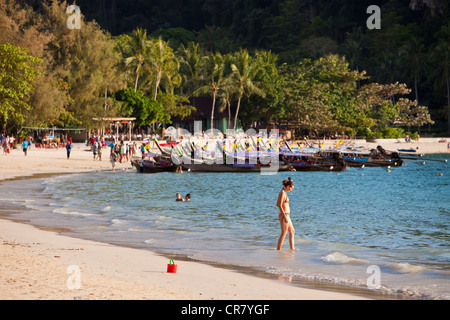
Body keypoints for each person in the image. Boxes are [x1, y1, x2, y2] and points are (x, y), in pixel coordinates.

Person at [276, 177, 295, 250]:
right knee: (284, 233)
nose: (291, 190)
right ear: (287, 186)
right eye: (291, 188)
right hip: (284, 215)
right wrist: (284, 216)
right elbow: (279, 205)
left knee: (292, 231)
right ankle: (278, 250)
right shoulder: (282, 193)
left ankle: (292, 249)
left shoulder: (284, 192)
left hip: (287, 215)